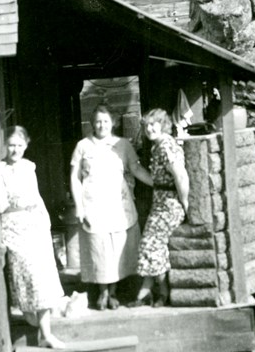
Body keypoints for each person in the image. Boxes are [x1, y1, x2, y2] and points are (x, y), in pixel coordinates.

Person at [70, 105, 152, 311]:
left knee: (116, 248)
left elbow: (135, 168)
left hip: (117, 204)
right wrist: (79, 205)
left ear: (113, 123)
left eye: (105, 121)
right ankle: (102, 292)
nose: (101, 125)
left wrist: (157, 182)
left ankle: (113, 293)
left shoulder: (122, 144)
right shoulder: (83, 145)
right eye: (98, 121)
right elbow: (74, 177)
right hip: (93, 204)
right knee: (99, 248)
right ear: (92, 123)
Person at [0, 125, 65, 349]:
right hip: (12, 227)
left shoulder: (28, 167)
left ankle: (45, 333)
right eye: (11, 145)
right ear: (5, 145)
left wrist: (44, 223)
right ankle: (31, 319)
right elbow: (1, 204)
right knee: (24, 275)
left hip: (34, 224)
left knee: (42, 274)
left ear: (26, 145)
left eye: (19, 145)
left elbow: (36, 197)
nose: (15, 150)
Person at [129, 108, 189, 308]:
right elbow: (155, 180)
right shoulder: (157, 147)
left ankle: (161, 291)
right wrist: (132, 168)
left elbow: (180, 176)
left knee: (150, 244)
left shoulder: (166, 146)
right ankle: (147, 291)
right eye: (146, 125)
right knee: (152, 245)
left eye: (153, 124)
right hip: (160, 202)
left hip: (171, 204)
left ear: (163, 124)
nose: (149, 129)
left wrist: (185, 202)